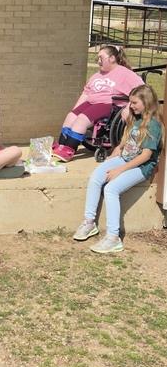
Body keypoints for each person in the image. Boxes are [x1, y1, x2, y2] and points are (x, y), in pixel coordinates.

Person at [72, 84, 164, 254]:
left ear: (147, 102)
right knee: (96, 177)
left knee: (111, 188)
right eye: (130, 102)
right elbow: (127, 138)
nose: (131, 106)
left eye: (134, 102)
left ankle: (113, 238)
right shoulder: (136, 117)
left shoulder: (153, 125)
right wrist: (117, 150)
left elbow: (145, 156)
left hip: (141, 166)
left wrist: (120, 170)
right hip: (125, 157)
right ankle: (89, 222)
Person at [52, 45, 144, 163]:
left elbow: (141, 90)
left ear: (111, 58)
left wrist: (127, 107)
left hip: (109, 104)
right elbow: (86, 93)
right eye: (97, 59)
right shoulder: (97, 75)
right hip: (92, 102)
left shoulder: (125, 74)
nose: (98, 61)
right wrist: (75, 110)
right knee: (71, 116)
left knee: (81, 119)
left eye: (101, 58)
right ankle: (61, 145)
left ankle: (68, 150)